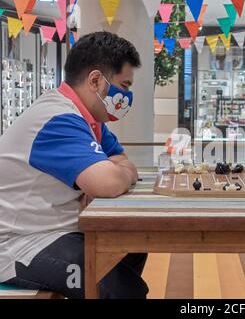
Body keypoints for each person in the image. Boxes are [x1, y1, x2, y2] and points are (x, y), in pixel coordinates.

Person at [0, 32, 148, 299]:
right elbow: (110, 181)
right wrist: (113, 174)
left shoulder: (89, 120)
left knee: (134, 243)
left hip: (56, 231)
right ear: (95, 80)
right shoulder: (57, 119)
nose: (126, 96)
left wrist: (117, 172)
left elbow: (122, 162)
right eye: (124, 86)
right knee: (122, 289)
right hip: (20, 244)